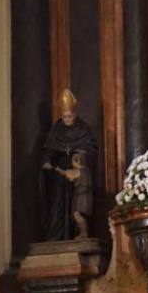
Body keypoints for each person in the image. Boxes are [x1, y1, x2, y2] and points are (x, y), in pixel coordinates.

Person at [40, 89, 98, 241]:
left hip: (76, 173)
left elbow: (91, 150)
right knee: (58, 202)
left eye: (69, 116)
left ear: (74, 114)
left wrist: (81, 157)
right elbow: (49, 148)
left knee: (76, 206)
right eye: (64, 116)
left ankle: (76, 233)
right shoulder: (56, 128)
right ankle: (57, 235)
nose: (66, 119)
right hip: (60, 173)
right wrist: (47, 161)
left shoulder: (84, 128)